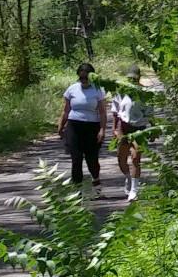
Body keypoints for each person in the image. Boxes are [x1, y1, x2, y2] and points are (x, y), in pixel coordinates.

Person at [57, 61, 108, 198]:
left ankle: (97, 186)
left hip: (92, 126)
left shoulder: (98, 90)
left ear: (92, 77)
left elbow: (103, 112)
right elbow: (66, 110)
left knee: (92, 159)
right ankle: (77, 191)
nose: (84, 80)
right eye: (81, 77)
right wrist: (61, 126)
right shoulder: (72, 89)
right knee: (76, 158)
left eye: (86, 77)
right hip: (74, 125)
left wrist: (102, 130)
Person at [112, 65, 150, 201]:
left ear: (139, 78)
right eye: (130, 79)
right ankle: (128, 177)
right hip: (124, 126)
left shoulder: (144, 93)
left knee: (135, 158)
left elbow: (149, 112)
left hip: (139, 127)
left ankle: (134, 190)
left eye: (134, 79)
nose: (132, 81)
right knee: (121, 157)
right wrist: (115, 128)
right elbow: (115, 111)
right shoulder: (121, 92)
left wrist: (153, 129)